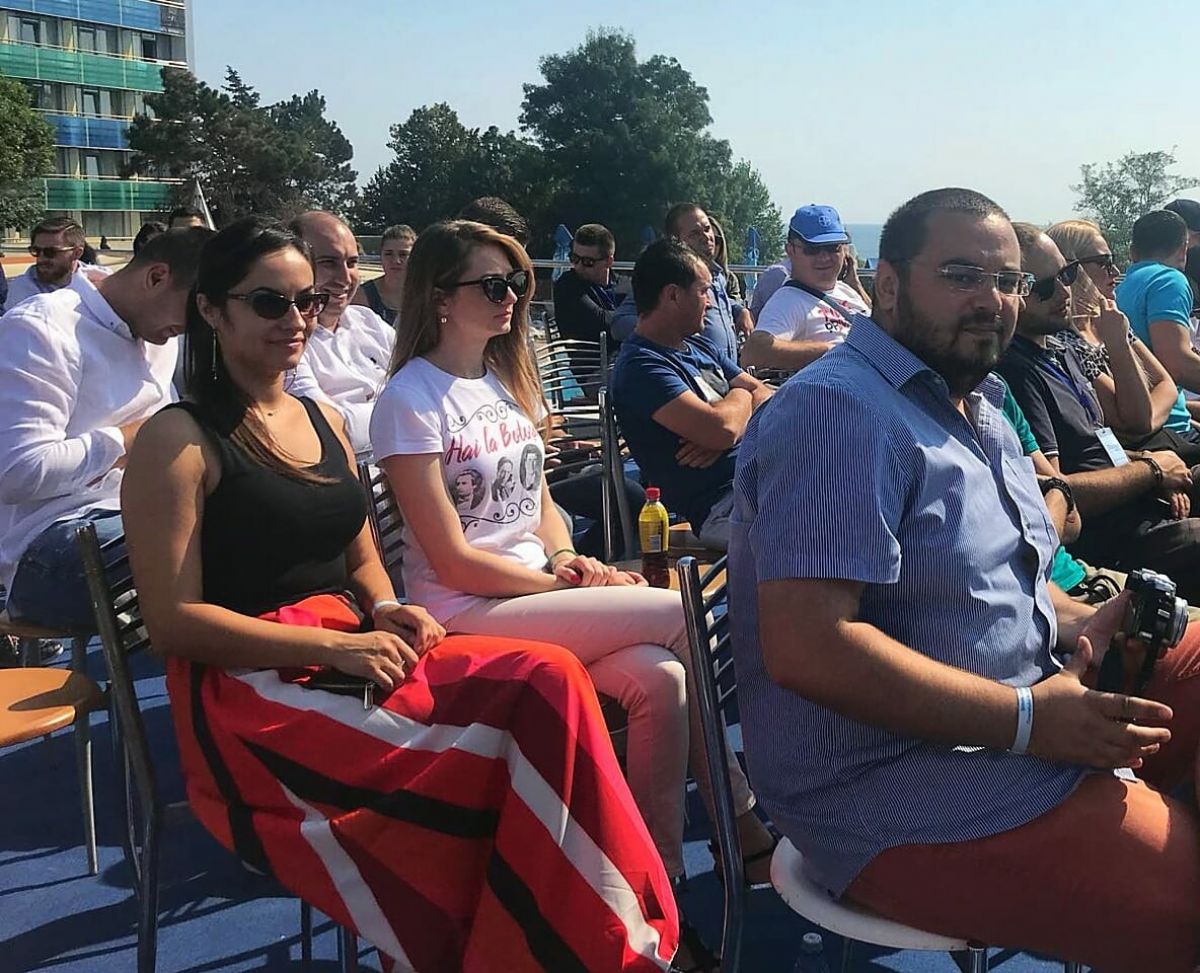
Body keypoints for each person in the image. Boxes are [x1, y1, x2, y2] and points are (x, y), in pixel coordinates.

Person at [121, 216, 678, 973]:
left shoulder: (318, 418)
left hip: (354, 650)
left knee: (549, 683)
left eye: (308, 301)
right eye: (269, 303)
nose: (296, 320)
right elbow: (173, 623)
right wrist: (336, 643)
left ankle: (591, 938)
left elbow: (360, 555)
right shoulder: (178, 440)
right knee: (530, 701)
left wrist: (386, 606)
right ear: (211, 311)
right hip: (252, 690)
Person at [730, 187, 1200, 973]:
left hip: (1026, 701)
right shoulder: (839, 414)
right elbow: (810, 648)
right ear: (886, 285)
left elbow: (993, 584)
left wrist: (1078, 619)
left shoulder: (978, 405)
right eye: (960, 275)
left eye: (1009, 281)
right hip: (892, 784)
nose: (993, 300)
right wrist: (1029, 721)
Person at [370, 219, 777, 970]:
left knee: (664, 678)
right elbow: (451, 559)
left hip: (531, 592)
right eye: (494, 284)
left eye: (518, 283)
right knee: (680, 613)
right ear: (440, 296)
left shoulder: (497, 383)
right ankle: (744, 823)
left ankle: (652, 897)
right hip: (468, 611)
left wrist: (567, 556)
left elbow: (542, 506)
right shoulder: (409, 400)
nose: (513, 297)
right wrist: (562, 577)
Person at [0, 227, 211, 628]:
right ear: (157, 277)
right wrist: (146, 436)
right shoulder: (41, 328)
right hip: (51, 545)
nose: (193, 328)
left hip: (141, 517)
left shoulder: (159, 335)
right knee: (215, 544)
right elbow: (18, 472)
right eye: (194, 311)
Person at [998, 223, 1200, 598]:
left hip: (1143, 497)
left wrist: (1152, 468)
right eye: (1044, 286)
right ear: (1013, 292)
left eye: (1067, 275)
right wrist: (1151, 471)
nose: (1064, 291)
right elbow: (1057, 494)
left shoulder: (1061, 349)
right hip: (1115, 537)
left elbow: (1100, 441)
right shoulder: (1015, 373)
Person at [611, 239, 773, 549]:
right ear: (672, 295)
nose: (710, 303)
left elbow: (764, 394)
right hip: (727, 508)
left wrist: (731, 429)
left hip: (762, 481)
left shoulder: (699, 345)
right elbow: (723, 427)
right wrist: (739, 397)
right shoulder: (642, 367)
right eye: (703, 291)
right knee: (830, 525)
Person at [1047, 219, 1190, 458]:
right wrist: (1118, 343)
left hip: (1164, 442)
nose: (1114, 271)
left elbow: (1166, 385)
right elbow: (1134, 419)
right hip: (1144, 457)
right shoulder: (1064, 340)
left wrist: (1148, 423)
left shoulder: (1108, 318)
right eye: (1103, 262)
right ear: (1070, 268)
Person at [287, 211, 394, 459]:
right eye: (329, 263)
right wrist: (404, 410)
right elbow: (331, 429)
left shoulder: (368, 321)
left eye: (352, 263)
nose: (345, 278)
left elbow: (428, 395)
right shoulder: (287, 339)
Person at [612, 203, 752, 360]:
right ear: (676, 241)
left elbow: (718, 303)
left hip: (723, 370)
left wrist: (740, 310)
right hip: (689, 369)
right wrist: (671, 335)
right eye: (694, 234)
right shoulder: (664, 277)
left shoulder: (717, 276)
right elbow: (620, 321)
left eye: (707, 229)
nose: (706, 237)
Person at [742, 205, 871, 372]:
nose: (824, 257)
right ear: (790, 250)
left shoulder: (847, 291)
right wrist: (834, 351)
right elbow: (754, 352)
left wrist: (856, 284)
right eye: (812, 250)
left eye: (833, 248)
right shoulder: (787, 301)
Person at [1116, 210, 1200, 444]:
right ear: (1183, 248)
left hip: (1142, 422)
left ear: (1133, 251)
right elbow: (1176, 363)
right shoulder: (1170, 280)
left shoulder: (1123, 285)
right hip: (1168, 428)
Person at [552, 223, 622, 344]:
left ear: (608, 262)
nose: (578, 266)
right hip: (591, 354)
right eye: (574, 258)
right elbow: (601, 321)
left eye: (588, 261)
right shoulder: (567, 284)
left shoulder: (622, 283)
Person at [7, 217, 92, 309]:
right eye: (36, 250)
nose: (41, 259)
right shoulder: (20, 289)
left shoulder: (97, 285)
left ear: (77, 253)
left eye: (51, 252)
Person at [353, 224, 413, 326]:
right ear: (381, 255)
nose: (396, 261)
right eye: (388, 254)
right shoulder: (363, 296)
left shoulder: (426, 294)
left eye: (403, 254)